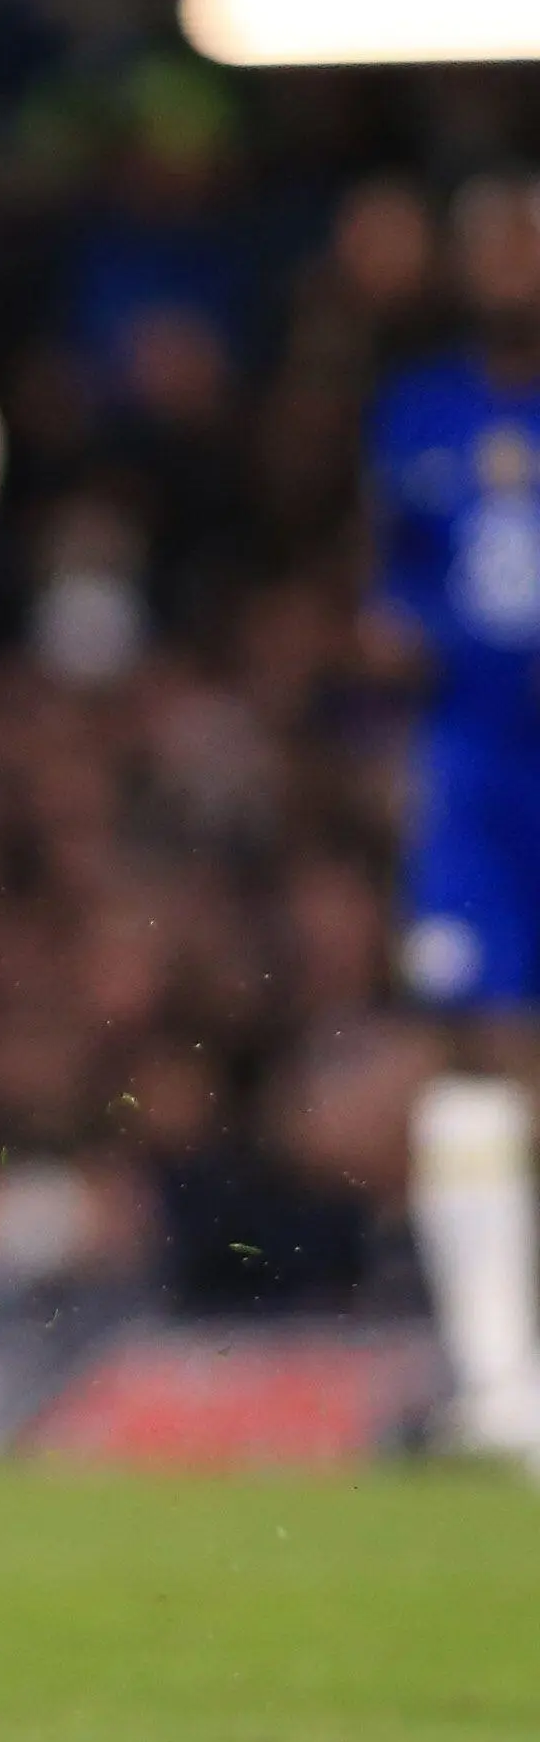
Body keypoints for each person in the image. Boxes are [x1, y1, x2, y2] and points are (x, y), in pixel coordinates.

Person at [370, 174, 540, 1469]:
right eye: (492, 244)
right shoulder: (421, 411)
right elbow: (393, 592)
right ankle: (496, 1383)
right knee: (477, 1051)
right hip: (478, 774)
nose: (510, 265)